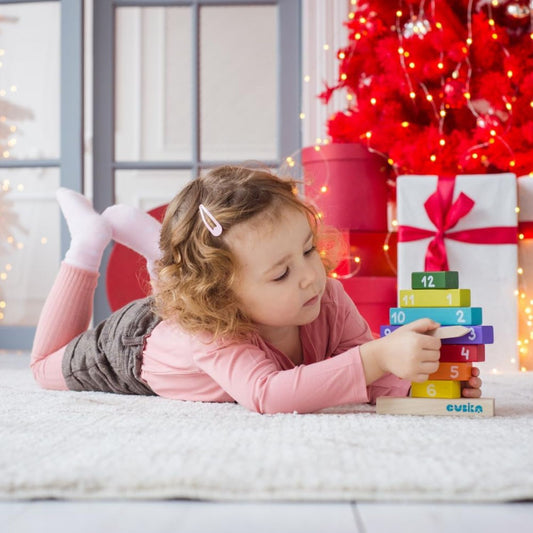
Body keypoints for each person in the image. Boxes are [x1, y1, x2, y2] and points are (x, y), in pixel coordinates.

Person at [31, 165, 482, 414]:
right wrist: (378, 357)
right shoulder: (213, 330)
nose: (309, 276)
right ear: (222, 296)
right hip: (133, 346)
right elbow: (268, 394)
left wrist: (419, 379)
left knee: (210, 263)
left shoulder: (322, 295)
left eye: (307, 250)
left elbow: (355, 371)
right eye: (281, 274)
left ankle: (162, 254)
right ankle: (87, 243)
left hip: (201, 290)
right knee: (42, 369)